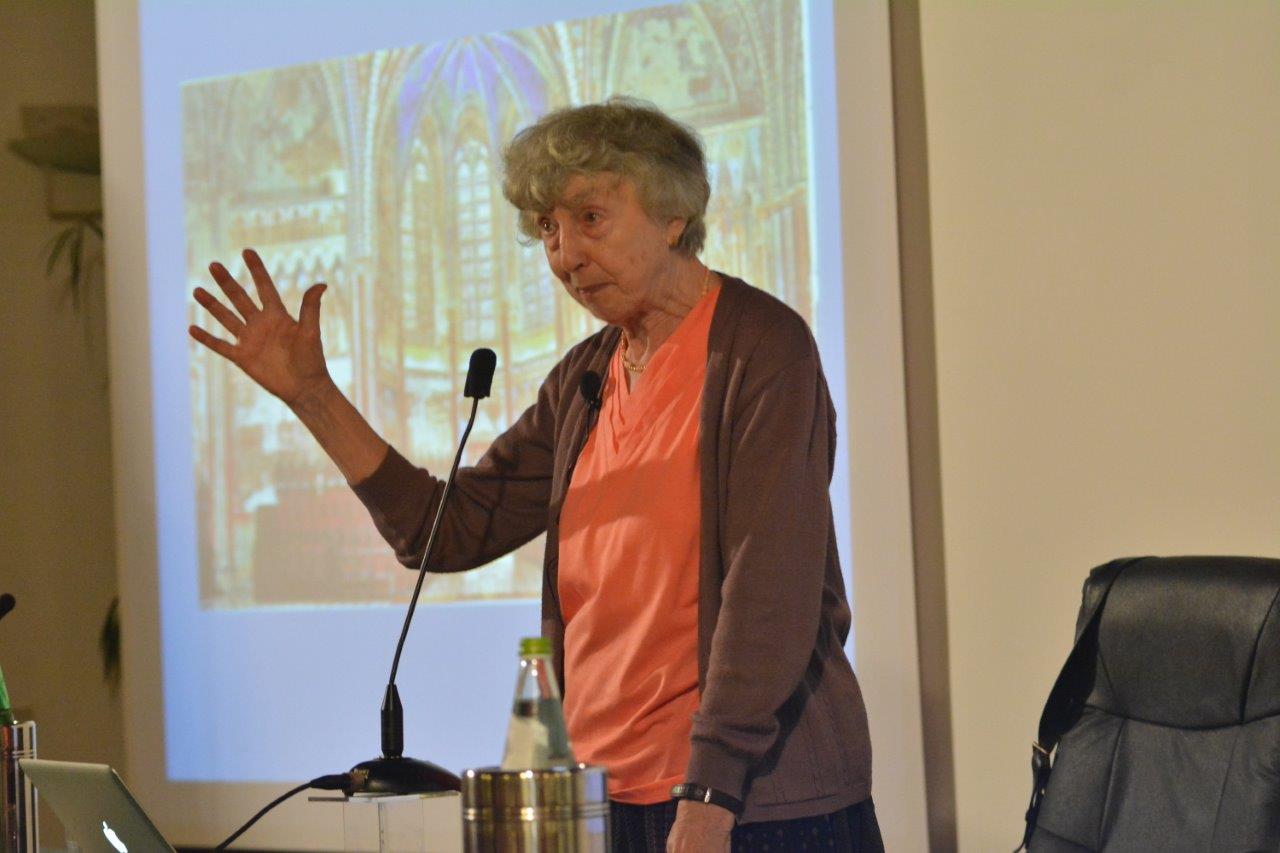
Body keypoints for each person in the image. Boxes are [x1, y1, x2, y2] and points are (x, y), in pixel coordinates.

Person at [190, 97, 882, 853]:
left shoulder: (760, 349)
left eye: (591, 218)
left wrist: (710, 798)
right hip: (606, 799)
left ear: (673, 215)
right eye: (548, 228)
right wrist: (313, 396)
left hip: (750, 808)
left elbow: (769, 593)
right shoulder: (584, 380)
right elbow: (446, 532)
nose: (565, 254)